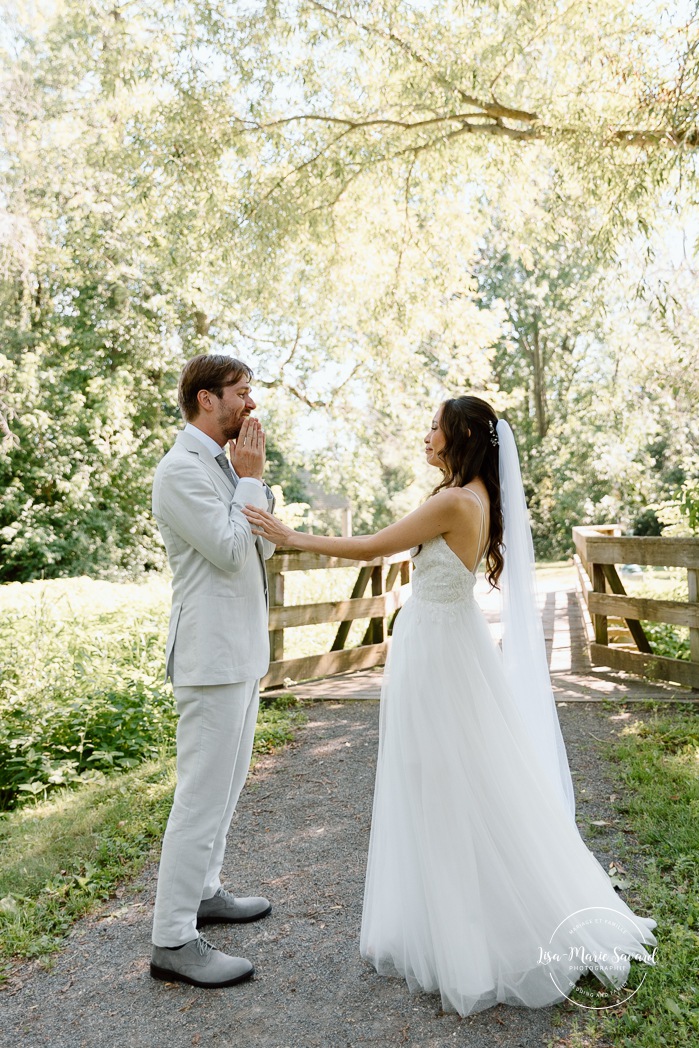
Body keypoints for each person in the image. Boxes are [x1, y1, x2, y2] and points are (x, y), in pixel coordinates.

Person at [243, 395, 657, 1015]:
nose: (425, 433)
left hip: (437, 645)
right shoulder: (475, 497)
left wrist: (289, 533)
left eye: (434, 425)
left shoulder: (453, 502)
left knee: (440, 776)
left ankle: (470, 934)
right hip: (449, 638)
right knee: (461, 773)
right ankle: (461, 918)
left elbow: (374, 546)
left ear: (460, 434)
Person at [149, 354, 276, 989]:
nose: (249, 405)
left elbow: (264, 542)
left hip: (241, 652)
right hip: (208, 657)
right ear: (207, 400)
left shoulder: (225, 466)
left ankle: (204, 892)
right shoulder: (178, 472)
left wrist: (254, 479)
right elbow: (229, 551)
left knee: (226, 790)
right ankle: (171, 937)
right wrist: (248, 482)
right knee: (200, 797)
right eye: (241, 394)